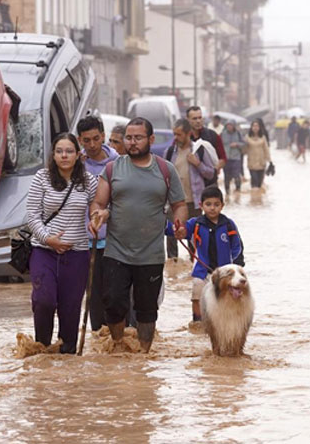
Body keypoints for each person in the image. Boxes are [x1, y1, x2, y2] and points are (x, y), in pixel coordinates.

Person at [89, 117, 187, 352]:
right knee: (112, 303)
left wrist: (180, 223)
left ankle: (144, 354)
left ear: (150, 140)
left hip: (151, 253)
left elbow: (179, 204)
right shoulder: (113, 168)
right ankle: (119, 345)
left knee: (146, 310)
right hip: (116, 251)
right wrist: (98, 215)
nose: (132, 143)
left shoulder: (165, 169)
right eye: (129, 138)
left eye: (138, 138)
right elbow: (98, 202)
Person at [26, 133, 98, 354]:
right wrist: (48, 239)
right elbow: (31, 215)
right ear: (53, 155)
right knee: (44, 300)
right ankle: (42, 349)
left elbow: (97, 206)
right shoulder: (42, 178)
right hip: (44, 251)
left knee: (71, 309)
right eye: (59, 151)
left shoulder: (89, 181)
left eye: (69, 151)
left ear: (78, 155)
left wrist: (95, 219)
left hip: (77, 255)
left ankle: (67, 357)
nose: (64, 156)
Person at [168, 186, 244, 323]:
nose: (212, 208)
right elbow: (180, 231)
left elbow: (237, 246)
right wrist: (173, 228)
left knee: (226, 299)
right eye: (208, 204)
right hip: (201, 271)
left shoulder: (228, 225)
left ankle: (225, 324)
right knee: (197, 297)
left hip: (224, 273)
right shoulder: (195, 224)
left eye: (216, 204)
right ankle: (197, 323)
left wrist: (237, 266)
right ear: (201, 205)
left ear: (222, 205)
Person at [77, 116, 119, 332]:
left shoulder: (118, 164)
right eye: (86, 140)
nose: (92, 145)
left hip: (115, 241)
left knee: (115, 295)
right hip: (86, 242)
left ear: (103, 136)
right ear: (80, 140)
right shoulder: (76, 166)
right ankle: (98, 340)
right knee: (93, 297)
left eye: (96, 139)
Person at [164, 119, 216, 260]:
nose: (176, 137)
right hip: (174, 201)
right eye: (174, 134)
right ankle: (173, 265)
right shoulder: (169, 152)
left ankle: (194, 264)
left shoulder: (199, 150)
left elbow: (211, 173)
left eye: (179, 134)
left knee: (194, 236)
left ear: (188, 134)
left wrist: (197, 163)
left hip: (194, 201)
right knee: (171, 235)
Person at [187, 106, 226, 172]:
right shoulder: (184, 137)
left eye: (200, 117)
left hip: (209, 180)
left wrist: (213, 171)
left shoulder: (212, 135)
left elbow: (223, 158)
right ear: (188, 120)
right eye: (194, 118)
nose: (198, 121)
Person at [220, 119, 245, 195]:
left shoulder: (238, 134)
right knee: (226, 177)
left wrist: (237, 144)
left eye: (230, 125)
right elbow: (219, 145)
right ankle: (227, 193)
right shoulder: (222, 134)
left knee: (236, 175)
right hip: (226, 158)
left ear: (234, 126)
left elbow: (244, 143)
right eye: (228, 125)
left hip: (236, 158)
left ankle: (238, 191)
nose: (229, 127)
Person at [245, 119, 272, 189]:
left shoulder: (263, 137)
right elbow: (244, 150)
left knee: (259, 184)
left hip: (261, 163)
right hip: (252, 163)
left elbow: (266, 150)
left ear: (259, 128)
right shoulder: (247, 137)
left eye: (257, 126)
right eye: (254, 126)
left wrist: (270, 161)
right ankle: (253, 198)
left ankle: (258, 199)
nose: (255, 127)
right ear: (251, 127)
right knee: (254, 182)